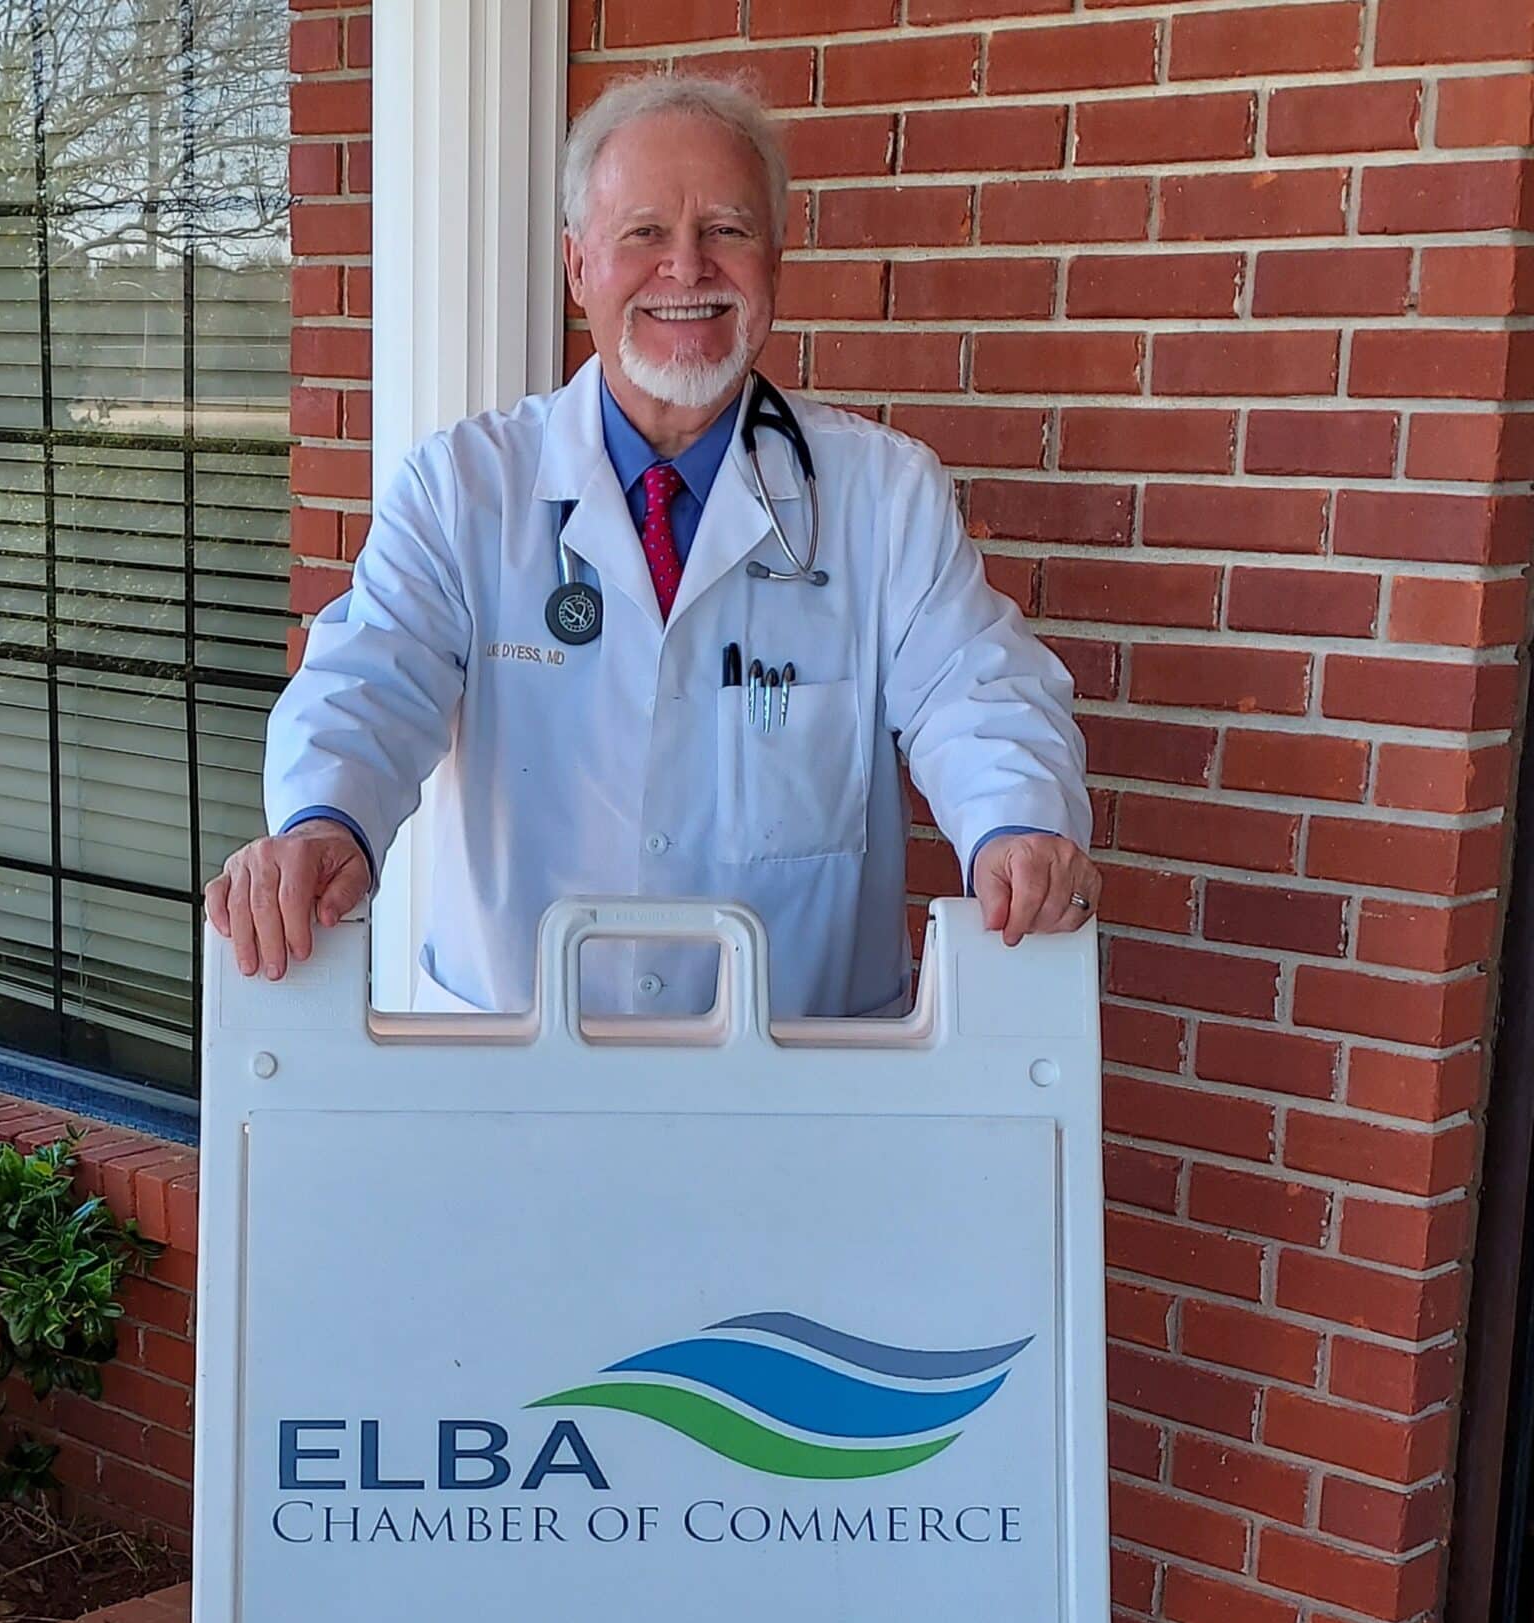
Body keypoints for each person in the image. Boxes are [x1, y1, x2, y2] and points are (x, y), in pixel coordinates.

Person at [206, 72, 1098, 1014]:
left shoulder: (886, 494)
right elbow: (368, 684)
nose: (687, 268)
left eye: (727, 230)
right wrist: (322, 823)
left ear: (775, 264)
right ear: (577, 265)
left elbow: (979, 693)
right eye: (644, 233)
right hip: (517, 1078)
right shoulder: (463, 488)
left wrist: (1018, 825)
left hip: (800, 1088)